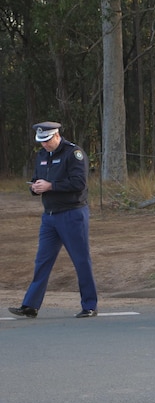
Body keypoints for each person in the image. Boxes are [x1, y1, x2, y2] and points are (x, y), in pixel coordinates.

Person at [8, 122, 98, 319]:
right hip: (49, 217)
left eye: (47, 140)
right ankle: (30, 305)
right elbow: (36, 179)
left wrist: (51, 186)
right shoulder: (42, 156)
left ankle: (90, 305)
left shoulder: (73, 153)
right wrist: (34, 188)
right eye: (41, 141)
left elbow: (79, 182)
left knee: (81, 260)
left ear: (56, 135)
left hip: (72, 214)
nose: (44, 145)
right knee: (42, 261)